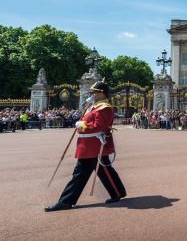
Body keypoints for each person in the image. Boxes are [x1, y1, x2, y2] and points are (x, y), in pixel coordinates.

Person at [45, 81, 127, 212]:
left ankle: (66, 201)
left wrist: (81, 125)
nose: (92, 94)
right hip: (87, 145)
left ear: (101, 93)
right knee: (84, 174)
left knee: (100, 171)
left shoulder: (104, 107)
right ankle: (117, 192)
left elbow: (99, 126)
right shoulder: (94, 106)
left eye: (94, 92)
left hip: (94, 145)